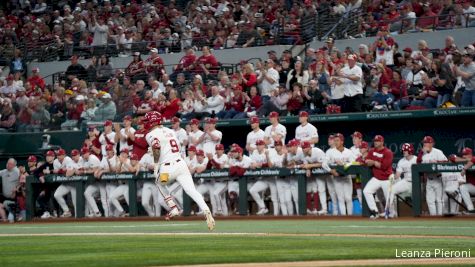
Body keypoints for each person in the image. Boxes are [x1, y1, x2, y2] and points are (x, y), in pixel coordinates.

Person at [144, 111, 215, 230]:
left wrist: (156, 164)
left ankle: (173, 207)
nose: (145, 123)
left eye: (147, 121)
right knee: (191, 190)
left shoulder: (150, 134)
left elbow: (156, 147)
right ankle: (206, 210)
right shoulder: (171, 131)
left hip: (167, 169)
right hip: (181, 165)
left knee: (159, 182)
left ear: (152, 121)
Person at [363, 135, 394, 219]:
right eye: (375, 141)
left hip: (387, 178)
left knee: (389, 199)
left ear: (382, 142)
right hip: (376, 178)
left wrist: (373, 162)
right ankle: (374, 211)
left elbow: (384, 166)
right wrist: (371, 162)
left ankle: (392, 214)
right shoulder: (372, 150)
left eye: (377, 141)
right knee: (366, 191)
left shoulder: (388, 152)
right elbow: (366, 161)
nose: (376, 142)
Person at [325, 133, 355, 216]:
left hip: (346, 177)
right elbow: (324, 164)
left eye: (337, 140)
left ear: (342, 141)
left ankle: (350, 217)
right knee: (341, 199)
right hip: (336, 178)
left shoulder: (348, 152)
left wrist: (344, 164)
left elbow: (354, 162)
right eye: (334, 141)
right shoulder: (330, 152)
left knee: (348, 198)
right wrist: (331, 171)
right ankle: (344, 218)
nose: (335, 142)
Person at [417, 136, 448, 216]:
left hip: (438, 179)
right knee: (430, 200)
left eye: (427, 142)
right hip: (429, 180)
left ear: (432, 143)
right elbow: (418, 164)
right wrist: (421, 153)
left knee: (439, 200)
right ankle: (433, 217)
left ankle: (440, 216)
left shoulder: (438, 152)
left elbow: (446, 162)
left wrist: (437, 162)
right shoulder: (422, 154)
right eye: (424, 142)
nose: (425, 144)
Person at [387, 143, 417, 218]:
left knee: (416, 201)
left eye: (405, 150)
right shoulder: (401, 161)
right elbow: (397, 176)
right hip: (406, 182)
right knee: (391, 190)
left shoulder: (416, 159)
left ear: (410, 151)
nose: (403, 152)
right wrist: (391, 176)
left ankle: (419, 215)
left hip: (416, 183)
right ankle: (392, 212)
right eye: (403, 150)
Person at [248, 140, 278, 215]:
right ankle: (263, 207)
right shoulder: (254, 152)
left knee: (274, 198)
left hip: (272, 178)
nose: (258, 146)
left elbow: (271, 165)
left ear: (264, 145)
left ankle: (277, 215)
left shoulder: (270, 151)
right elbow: (251, 164)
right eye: (257, 145)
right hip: (263, 178)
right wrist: (253, 165)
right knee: (252, 190)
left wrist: (262, 164)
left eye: (260, 145)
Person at [300, 141, 327, 215]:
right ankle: (321, 209)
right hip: (316, 172)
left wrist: (310, 166)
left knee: (322, 190)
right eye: (302, 148)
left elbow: (323, 163)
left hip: (327, 171)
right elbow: (306, 164)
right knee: (317, 189)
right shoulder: (304, 154)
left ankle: (325, 209)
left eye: (305, 147)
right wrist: (308, 169)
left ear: (309, 147)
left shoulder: (318, 152)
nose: (303, 149)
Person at [53, 149, 78, 218]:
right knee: (57, 195)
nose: (58, 156)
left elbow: (67, 172)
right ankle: (67, 211)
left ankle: (78, 217)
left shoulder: (68, 159)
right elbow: (56, 172)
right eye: (57, 155)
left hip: (74, 183)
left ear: (64, 155)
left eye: (60, 155)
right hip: (66, 183)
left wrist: (60, 170)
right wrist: (61, 170)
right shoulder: (55, 161)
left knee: (75, 202)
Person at [459, 148, 475, 214]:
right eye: (463, 155)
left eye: (466, 154)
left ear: (470, 154)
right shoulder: (463, 161)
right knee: (463, 187)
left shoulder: (473, 158)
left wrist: (464, 168)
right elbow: (452, 158)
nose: (464, 156)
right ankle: (471, 209)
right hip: (473, 187)